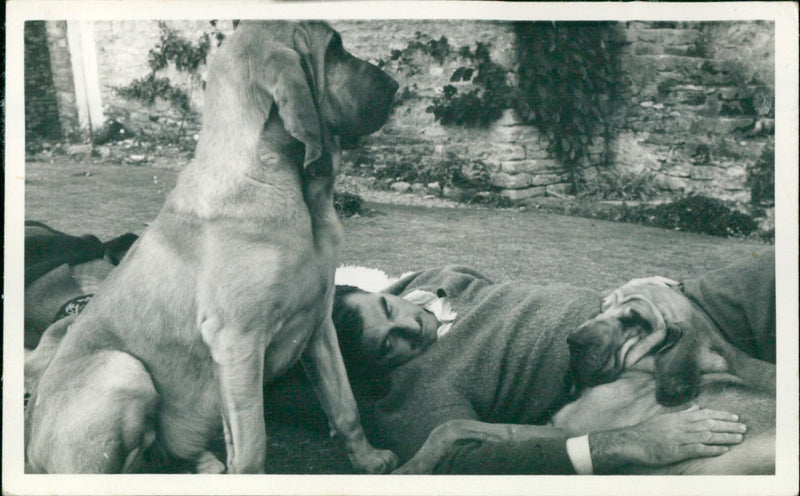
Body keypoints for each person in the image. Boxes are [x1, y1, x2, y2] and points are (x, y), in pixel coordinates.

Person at [331, 251, 775, 474]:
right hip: (627, 353)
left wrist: (647, 292)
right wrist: (624, 442)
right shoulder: (411, 394)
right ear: (375, 368)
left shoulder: (431, 281)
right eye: (388, 346)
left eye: (388, 311)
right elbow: (466, 463)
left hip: (653, 305)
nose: (410, 328)